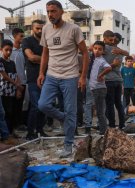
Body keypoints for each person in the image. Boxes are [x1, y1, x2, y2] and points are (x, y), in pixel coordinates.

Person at [37, 0, 89, 157]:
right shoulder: (46, 29)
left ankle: (68, 145)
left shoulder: (73, 29)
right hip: (52, 75)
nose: (50, 15)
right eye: (48, 12)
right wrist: (41, 73)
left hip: (70, 76)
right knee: (43, 104)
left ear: (61, 12)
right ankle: (64, 118)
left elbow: (85, 53)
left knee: (71, 109)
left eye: (53, 11)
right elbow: (45, 53)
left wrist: (83, 76)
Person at [22, 19, 48, 139]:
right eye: (37, 28)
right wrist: (46, 59)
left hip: (47, 77)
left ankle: (40, 130)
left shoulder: (46, 41)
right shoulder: (27, 41)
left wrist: (41, 59)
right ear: (32, 28)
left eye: (41, 28)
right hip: (33, 78)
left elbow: (52, 56)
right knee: (35, 105)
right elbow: (31, 57)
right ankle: (30, 133)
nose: (40, 30)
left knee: (44, 106)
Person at [103, 30, 126, 130]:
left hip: (108, 80)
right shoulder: (120, 51)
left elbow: (92, 48)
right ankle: (122, 125)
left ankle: (112, 125)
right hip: (118, 80)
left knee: (109, 104)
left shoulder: (106, 48)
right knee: (118, 104)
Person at [89, 41, 112, 135]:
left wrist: (101, 75)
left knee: (100, 111)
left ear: (103, 51)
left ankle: (103, 131)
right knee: (97, 110)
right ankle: (102, 129)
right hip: (94, 88)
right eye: (95, 49)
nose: (97, 51)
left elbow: (109, 68)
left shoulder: (101, 60)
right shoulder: (94, 59)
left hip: (99, 89)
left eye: (100, 49)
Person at [0, 40, 22, 139]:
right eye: (6, 50)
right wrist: (17, 85)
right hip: (3, 92)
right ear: (1, 50)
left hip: (11, 93)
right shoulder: (0, 61)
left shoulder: (12, 63)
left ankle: (11, 132)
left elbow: (16, 75)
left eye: (10, 50)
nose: (8, 52)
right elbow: (4, 76)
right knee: (4, 114)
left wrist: (17, 89)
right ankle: (6, 135)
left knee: (11, 113)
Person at [10, 28, 27, 131]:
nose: (22, 38)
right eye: (21, 36)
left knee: (20, 105)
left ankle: (18, 125)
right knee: (12, 106)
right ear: (14, 36)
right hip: (13, 83)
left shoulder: (23, 51)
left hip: (23, 81)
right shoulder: (9, 51)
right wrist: (16, 84)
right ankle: (12, 127)